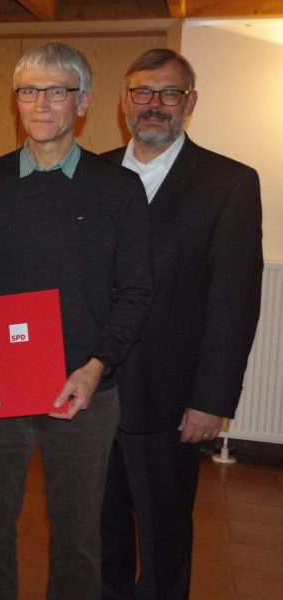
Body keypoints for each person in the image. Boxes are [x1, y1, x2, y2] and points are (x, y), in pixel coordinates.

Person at [0, 42, 152, 600]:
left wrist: (96, 366)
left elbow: (136, 292)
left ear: (82, 102)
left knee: (78, 541)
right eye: (29, 91)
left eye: (57, 91)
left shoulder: (118, 188)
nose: (40, 104)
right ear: (15, 101)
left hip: (83, 392)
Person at [100, 48, 263, 600]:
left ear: (190, 102)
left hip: (170, 399)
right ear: (124, 102)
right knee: (98, 530)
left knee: (164, 535)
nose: (154, 104)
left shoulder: (228, 182)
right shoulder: (92, 173)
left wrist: (211, 400)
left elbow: (234, 301)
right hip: (91, 390)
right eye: (142, 91)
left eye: (169, 93)